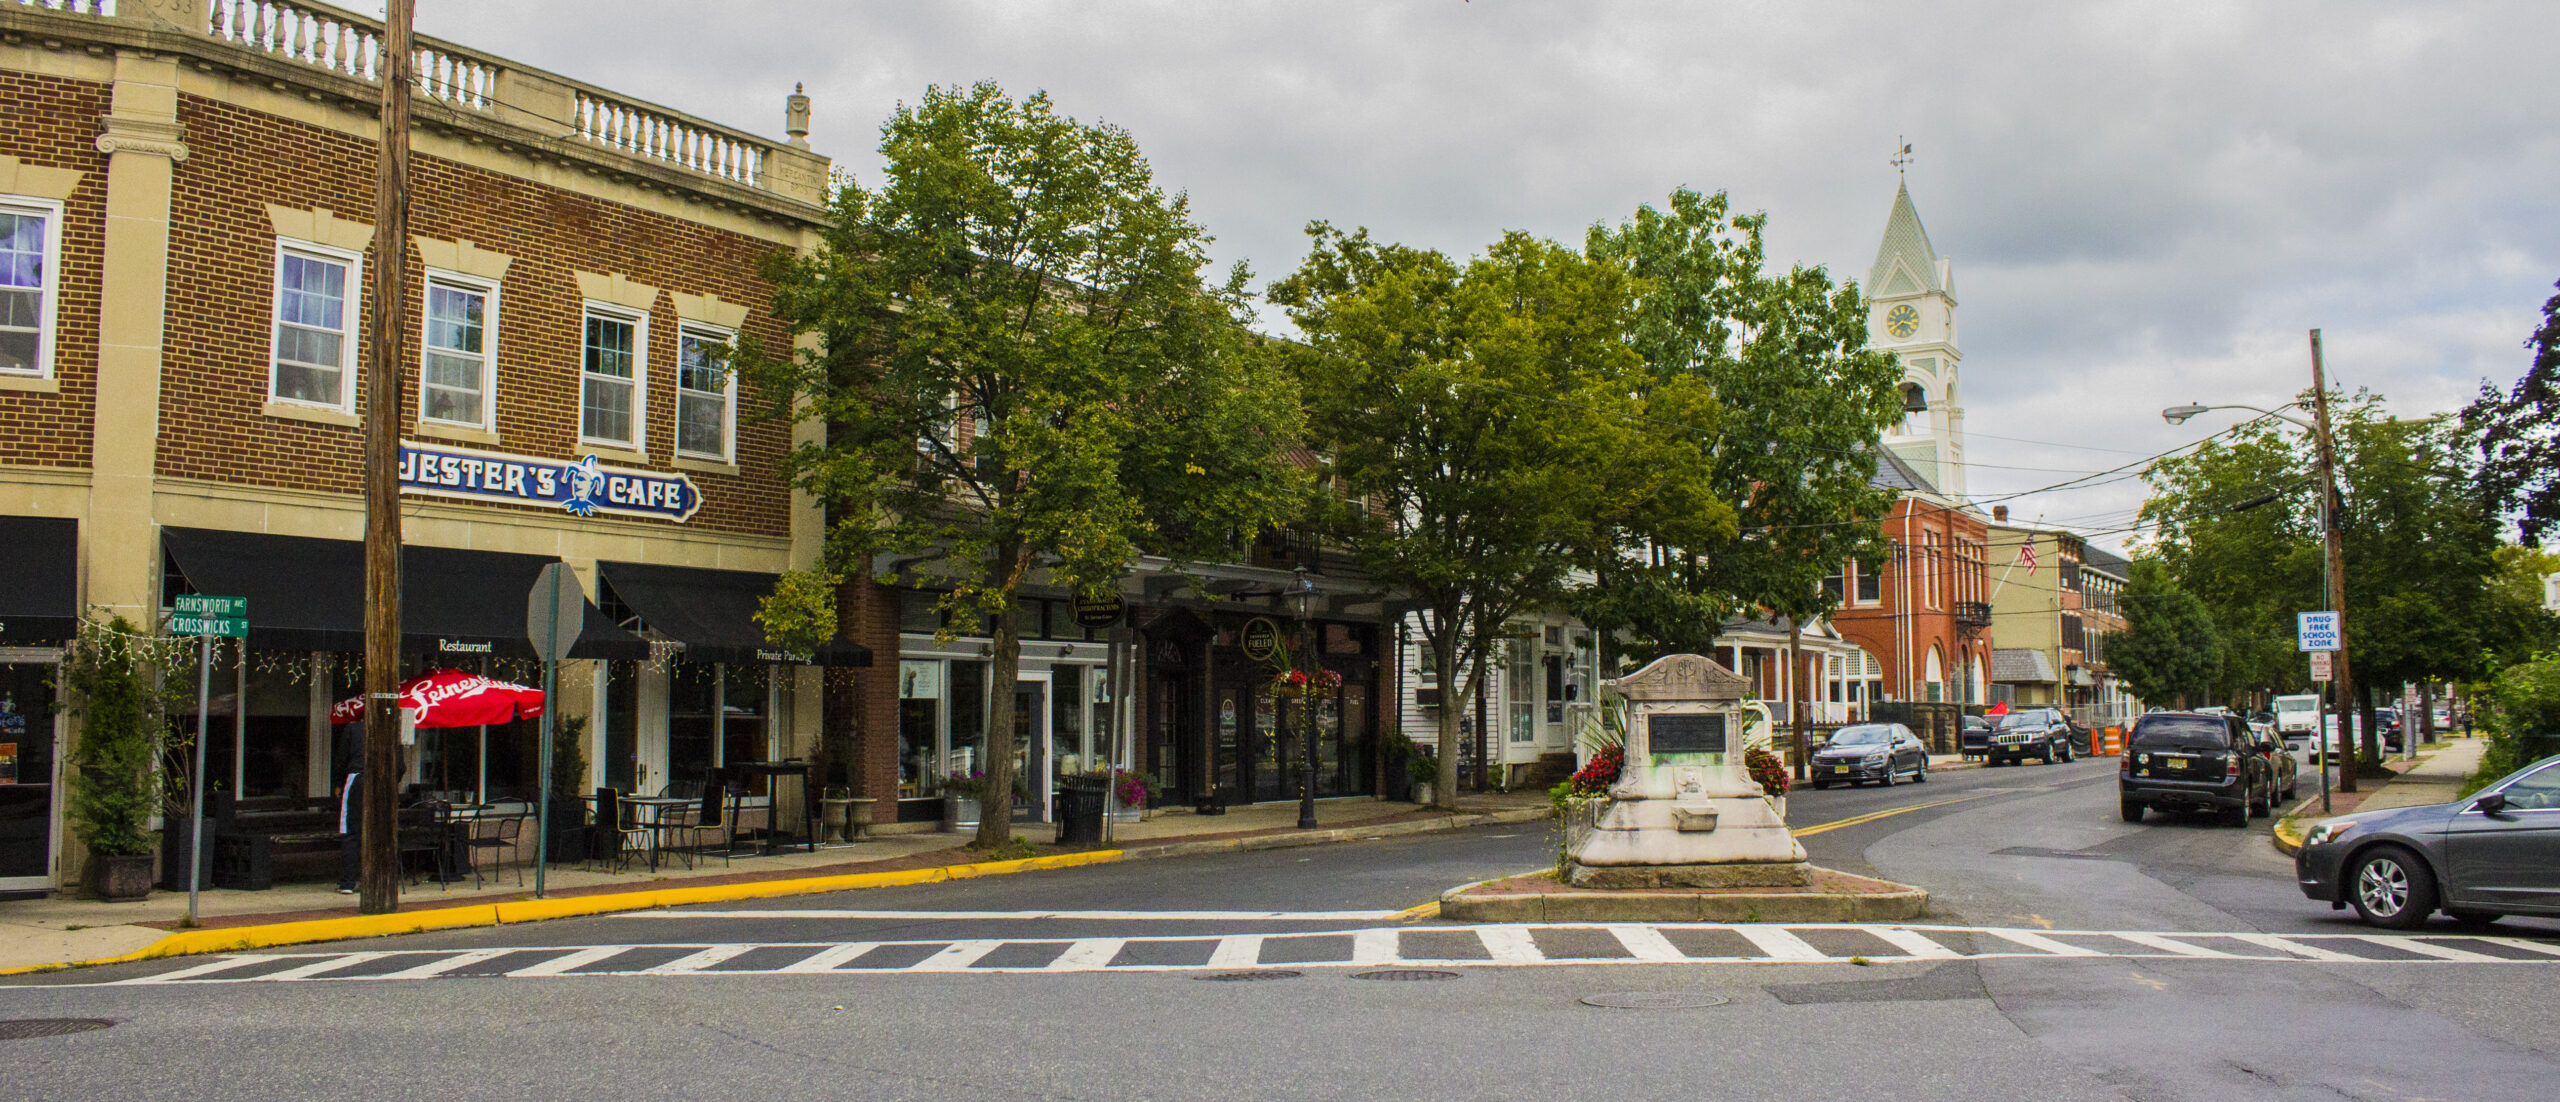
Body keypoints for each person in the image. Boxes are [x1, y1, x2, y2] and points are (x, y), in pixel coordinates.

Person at [333, 719, 364, 895]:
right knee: (379, 833)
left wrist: (338, 782)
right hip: (384, 780)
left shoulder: (353, 728)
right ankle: (376, 879)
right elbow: (400, 765)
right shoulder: (391, 726)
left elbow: (341, 757)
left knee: (351, 832)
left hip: (358, 778)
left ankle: (348, 882)